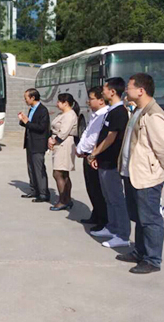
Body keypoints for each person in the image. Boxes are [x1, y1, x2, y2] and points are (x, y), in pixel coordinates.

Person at [117, 73, 164, 274]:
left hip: (146, 177)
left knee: (150, 219)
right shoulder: (139, 111)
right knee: (139, 217)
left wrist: (158, 170)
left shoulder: (153, 115)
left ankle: (152, 259)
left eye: (129, 87)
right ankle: (140, 252)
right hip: (132, 174)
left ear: (141, 90)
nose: (126, 90)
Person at [87, 78, 131, 248]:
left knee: (116, 199)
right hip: (104, 161)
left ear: (112, 92)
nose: (103, 91)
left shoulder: (119, 111)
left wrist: (94, 153)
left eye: (105, 88)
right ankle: (112, 227)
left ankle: (122, 234)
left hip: (112, 162)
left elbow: (111, 137)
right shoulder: (111, 111)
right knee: (108, 197)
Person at [76, 87, 109, 231]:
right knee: (91, 187)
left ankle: (103, 220)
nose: (88, 101)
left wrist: (88, 152)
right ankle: (96, 214)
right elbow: (86, 134)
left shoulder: (104, 115)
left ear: (101, 100)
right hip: (87, 155)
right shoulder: (95, 114)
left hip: (94, 156)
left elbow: (95, 137)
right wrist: (79, 149)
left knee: (98, 190)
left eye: (91, 98)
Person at [18, 88, 50, 202]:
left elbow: (41, 128)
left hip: (38, 143)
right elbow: (29, 124)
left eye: (26, 97)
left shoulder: (42, 110)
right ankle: (34, 190)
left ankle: (43, 193)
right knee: (31, 168)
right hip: (30, 143)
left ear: (32, 97)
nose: (25, 100)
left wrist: (27, 122)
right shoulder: (31, 109)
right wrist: (23, 121)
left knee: (39, 168)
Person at [48, 93, 79, 211]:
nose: (57, 104)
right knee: (63, 173)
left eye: (59, 102)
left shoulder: (70, 115)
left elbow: (63, 132)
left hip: (64, 144)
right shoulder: (62, 114)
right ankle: (66, 198)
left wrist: (54, 141)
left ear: (65, 103)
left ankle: (63, 200)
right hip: (58, 144)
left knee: (59, 172)